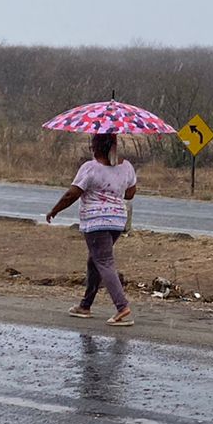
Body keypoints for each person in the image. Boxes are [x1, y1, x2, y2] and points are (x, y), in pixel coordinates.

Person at [46, 133, 137, 325]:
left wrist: (54, 210)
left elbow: (72, 194)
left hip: (96, 221)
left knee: (104, 261)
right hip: (117, 221)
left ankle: (122, 307)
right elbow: (130, 194)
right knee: (94, 260)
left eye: (92, 145)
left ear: (96, 147)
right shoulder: (127, 167)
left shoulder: (90, 168)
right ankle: (85, 305)